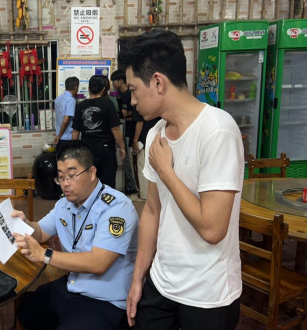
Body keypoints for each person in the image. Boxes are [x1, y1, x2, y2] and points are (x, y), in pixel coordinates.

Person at [120, 30, 243, 330]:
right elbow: (152, 210)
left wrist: (166, 172)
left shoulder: (217, 130)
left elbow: (213, 229)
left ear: (158, 82)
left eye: (135, 90)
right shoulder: (155, 135)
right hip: (162, 284)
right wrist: (138, 279)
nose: (132, 101)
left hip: (208, 295)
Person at [14, 140, 138, 330]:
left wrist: (44, 255)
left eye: (72, 175)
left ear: (92, 172)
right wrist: (25, 225)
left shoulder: (116, 207)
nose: (65, 184)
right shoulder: (64, 204)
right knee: (26, 311)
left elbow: (99, 263)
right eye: (61, 177)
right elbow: (40, 232)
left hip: (105, 301)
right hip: (73, 285)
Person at [72, 75, 126, 189]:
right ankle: (106, 205)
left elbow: (76, 131)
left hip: (86, 149)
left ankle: (90, 205)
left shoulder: (80, 106)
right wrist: (122, 146)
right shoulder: (108, 104)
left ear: (89, 88)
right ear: (103, 89)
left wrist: (75, 150)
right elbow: (115, 128)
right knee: (107, 183)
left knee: (89, 182)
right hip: (105, 148)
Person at [111, 70, 139, 196]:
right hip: (124, 130)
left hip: (130, 131)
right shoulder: (120, 96)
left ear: (120, 81)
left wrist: (127, 116)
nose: (112, 84)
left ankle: (132, 186)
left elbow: (136, 115)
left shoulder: (129, 95)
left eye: (114, 81)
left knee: (127, 160)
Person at [132, 109, 161, 200]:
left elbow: (140, 123)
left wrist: (135, 140)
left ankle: (144, 194)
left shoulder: (140, 105)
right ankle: (154, 195)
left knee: (142, 168)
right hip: (155, 139)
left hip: (143, 140)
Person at [54, 77, 79, 152]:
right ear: (76, 87)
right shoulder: (71, 100)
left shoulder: (58, 99)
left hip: (60, 138)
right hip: (67, 138)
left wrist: (58, 136)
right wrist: (59, 136)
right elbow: (65, 120)